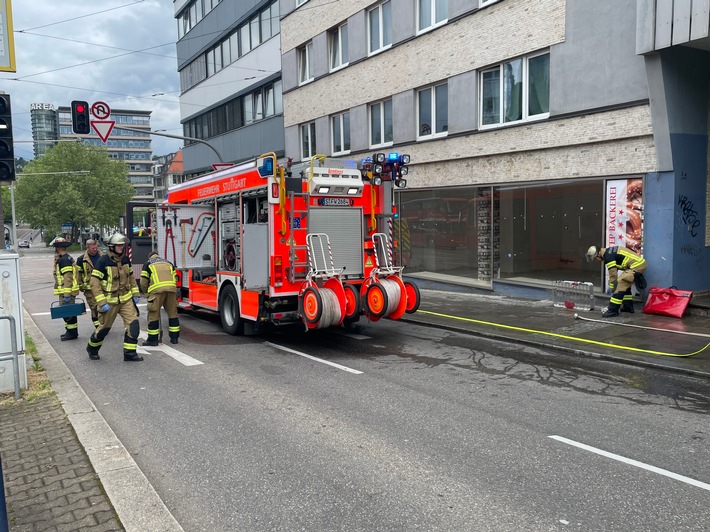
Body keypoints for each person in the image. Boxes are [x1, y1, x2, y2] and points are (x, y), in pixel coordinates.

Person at [86, 233, 143, 361]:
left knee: (133, 325)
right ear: (111, 247)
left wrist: (135, 293)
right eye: (118, 246)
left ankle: (130, 353)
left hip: (125, 300)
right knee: (103, 329)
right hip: (109, 302)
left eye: (122, 245)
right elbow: (94, 283)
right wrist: (101, 302)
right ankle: (92, 348)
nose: (121, 248)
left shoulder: (125, 260)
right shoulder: (103, 261)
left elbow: (131, 278)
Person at [586, 244, 647, 317]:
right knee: (625, 285)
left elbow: (613, 275)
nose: (597, 260)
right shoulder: (609, 252)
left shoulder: (608, 257)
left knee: (620, 284)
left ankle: (612, 310)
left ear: (599, 254)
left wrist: (613, 287)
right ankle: (628, 307)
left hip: (637, 266)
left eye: (596, 258)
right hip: (638, 264)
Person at [139, 251, 180, 346]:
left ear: (150, 257)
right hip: (171, 290)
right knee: (173, 314)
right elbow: (176, 278)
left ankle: (152, 340)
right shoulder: (168, 263)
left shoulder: (148, 264)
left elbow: (143, 282)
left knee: (153, 314)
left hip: (157, 291)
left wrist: (147, 293)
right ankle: (174, 338)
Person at [52, 237, 80, 341]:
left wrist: (67, 295)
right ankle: (70, 331)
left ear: (58, 248)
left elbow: (68, 278)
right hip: (66, 292)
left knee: (68, 313)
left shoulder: (64, 260)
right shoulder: (65, 258)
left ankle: (72, 333)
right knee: (68, 312)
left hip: (66, 292)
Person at [76, 239, 104, 329]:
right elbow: (78, 275)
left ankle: (103, 324)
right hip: (89, 290)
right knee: (94, 308)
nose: (95, 250)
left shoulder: (103, 257)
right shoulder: (81, 260)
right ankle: (98, 327)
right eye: (92, 248)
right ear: (87, 248)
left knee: (103, 307)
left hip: (103, 287)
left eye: (96, 248)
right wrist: (80, 286)